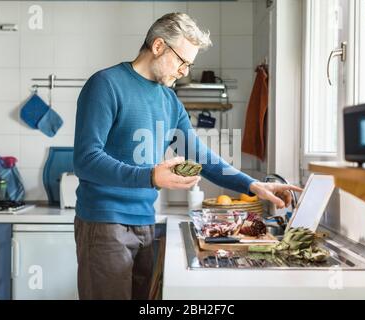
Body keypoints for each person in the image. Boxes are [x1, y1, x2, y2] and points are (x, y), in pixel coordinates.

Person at [73, 12, 302, 300]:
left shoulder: (169, 101)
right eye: (182, 62)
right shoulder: (106, 85)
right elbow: (86, 159)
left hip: (145, 223)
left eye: (189, 65)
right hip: (104, 224)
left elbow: (200, 155)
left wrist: (254, 185)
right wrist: (151, 175)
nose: (184, 71)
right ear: (158, 46)